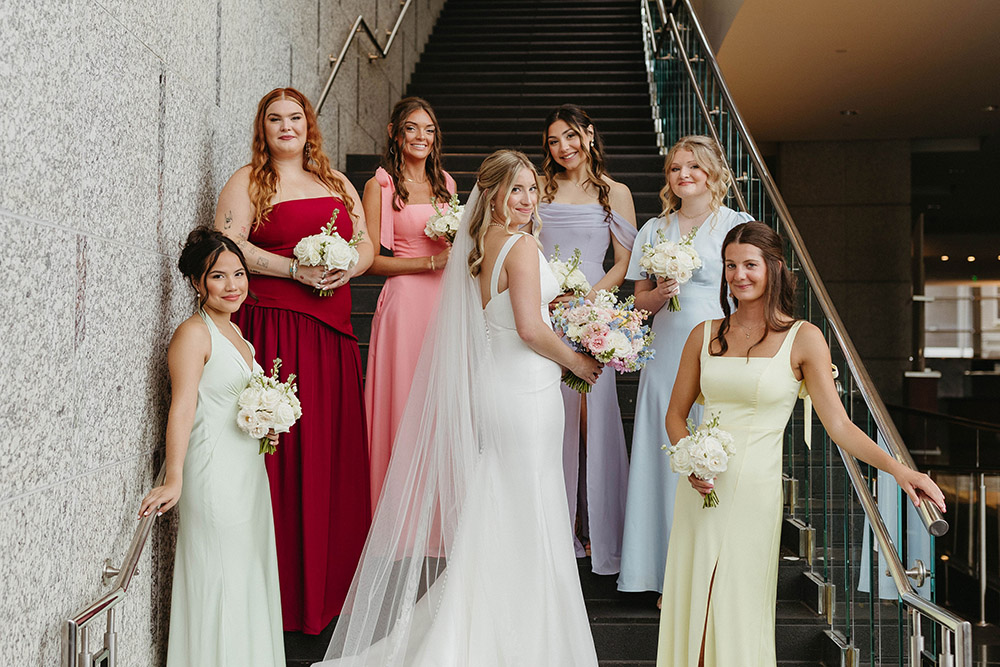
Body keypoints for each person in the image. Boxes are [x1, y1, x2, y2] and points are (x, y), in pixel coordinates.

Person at [316, 150, 602, 666]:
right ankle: (524, 631)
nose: (527, 198)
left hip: (501, 382)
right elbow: (532, 330)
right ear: (491, 193)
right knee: (530, 499)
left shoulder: (482, 244)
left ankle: (486, 616)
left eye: (532, 188)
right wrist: (577, 362)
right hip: (528, 388)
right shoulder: (520, 245)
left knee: (503, 495)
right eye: (515, 189)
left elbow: (511, 315)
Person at [656, 221, 947, 666]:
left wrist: (901, 471)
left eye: (750, 265)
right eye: (730, 265)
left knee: (736, 602)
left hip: (755, 491)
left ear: (774, 268)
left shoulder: (804, 337)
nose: (739, 275)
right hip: (701, 488)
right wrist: (690, 460)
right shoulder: (704, 333)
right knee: (696, 595)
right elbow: (675, 415)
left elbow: (840, 425)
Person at [214, 87, 374, 634]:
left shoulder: (336, 182)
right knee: (280, 458)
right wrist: (293, 271)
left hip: (332, 336)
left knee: (329, 453)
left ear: (310, 126)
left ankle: (327, 592)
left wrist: (345, 267)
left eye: (296, 118)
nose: (287, 127)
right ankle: (276, 598)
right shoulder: (247, 182)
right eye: (276, 119)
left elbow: (369, 245)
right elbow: (227, 246)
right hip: (276, 331)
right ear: (262, 127)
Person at [138, 228, 284, 666]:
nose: (233, 285)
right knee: (219, 576)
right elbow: (181, 408)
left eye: (239, 274)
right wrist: (175, 477)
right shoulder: (193, 335)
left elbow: (230, 405)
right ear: (197, 283)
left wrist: (265, 425)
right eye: (218, 276)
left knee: (244, 577)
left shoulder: (241, 336)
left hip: (247, 476)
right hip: (213, 475)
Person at [618, 135, 752, 598]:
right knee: (668, 459)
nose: (683, 175)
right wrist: (658, 295)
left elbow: (753, 288)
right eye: (675, 169)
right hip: (666, 355)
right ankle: (663, 576)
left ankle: (713, 576)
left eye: (693, 167)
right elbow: (637, 298)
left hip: (719, 352)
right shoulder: (654, 230)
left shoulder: (737, 225)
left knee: (714, 456)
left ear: (713, 172)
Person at [537, 104, 637, 574]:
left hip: (593, 315)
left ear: (589, 135)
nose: (564, 148)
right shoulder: (538, 188)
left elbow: (624, 262)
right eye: (554, 141)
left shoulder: (615, 192)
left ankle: (599, 529)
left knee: (591, 419)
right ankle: (557, 530)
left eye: (570, 137)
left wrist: (586, 302)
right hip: (545, 308)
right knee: (551, 416)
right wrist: (549, 295)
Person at [363, 97, 456, 510]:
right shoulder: (380, 185)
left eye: (429, 129)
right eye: (412, 128)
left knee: (442, 400)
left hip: (444, 301)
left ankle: (436, 513)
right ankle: (397, 510)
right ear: (395, 133)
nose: (421, 137)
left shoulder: (447, 184)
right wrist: (431, 261)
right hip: (405, 301)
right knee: (403, 402)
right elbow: (371, 260)